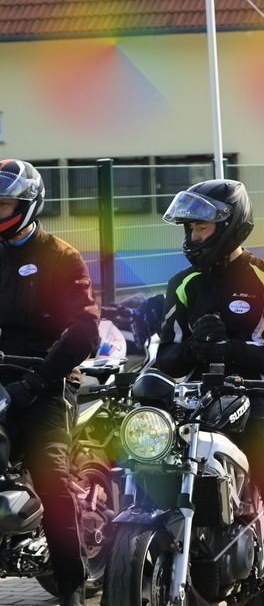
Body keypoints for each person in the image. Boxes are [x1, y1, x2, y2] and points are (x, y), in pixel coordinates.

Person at [157, 179, 264, 606]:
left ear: (230, 226)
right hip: (196, 401)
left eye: (201, 229)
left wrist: (233, 349)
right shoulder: (183, 284)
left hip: (261, 397)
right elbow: (166, 357)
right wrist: (193, 347)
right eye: (190, 230)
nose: (192, 238)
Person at [0, 160, 99, 606]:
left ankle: (72, 588)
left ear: (27, 204)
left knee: (53, 478)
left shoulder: (59, 257)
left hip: (46, 378)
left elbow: (84, 330)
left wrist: (38, 380)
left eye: (2, 204)